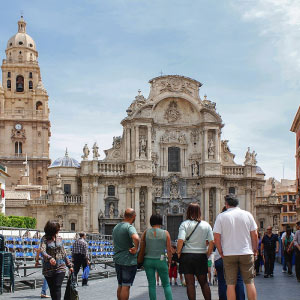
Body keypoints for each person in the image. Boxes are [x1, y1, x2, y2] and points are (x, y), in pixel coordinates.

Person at [213, 194, 258, 300]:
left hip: (229, 254)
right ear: (237, 203)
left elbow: (216, 237)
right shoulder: (247, 215)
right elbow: (254, 234)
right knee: (249, 282)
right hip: (246, 252)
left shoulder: (221, 216)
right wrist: (254, 249)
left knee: (230, 284)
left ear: (226, 204)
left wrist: (220, 251)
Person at [177, 203, 214, 300]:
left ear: (188, 212)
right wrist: (208, 253)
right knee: (204, 283)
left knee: (190, 284)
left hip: (187, 256)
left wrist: (178, 252)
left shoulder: (184, 224)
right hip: (201, 256)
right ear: (199, 212)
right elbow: (212, 241)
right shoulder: (206, 225)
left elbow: (181, 239)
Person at [213, 206, 245, 300]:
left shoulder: (220, 219)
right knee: (238, 281)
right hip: (236, 256)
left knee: (222, 282)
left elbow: (216, 239)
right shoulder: (240, 224)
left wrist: (221, 252)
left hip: (221, 257)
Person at [140, 214, 173, 300]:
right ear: (161, 222)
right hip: (161, 261)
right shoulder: (165, 233)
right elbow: (169, 250)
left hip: (148, 261)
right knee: (166, 285)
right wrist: (169, 261)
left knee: (151, 284)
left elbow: (142, 246)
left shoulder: (145, 232)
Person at [40, 220, 73, 300]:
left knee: (57, 286)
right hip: (48, 268)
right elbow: (42, 250)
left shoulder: (59, 238)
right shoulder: (44, 239)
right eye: (58, 228)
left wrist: (69, 265)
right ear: (53, 229)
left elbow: (63, 253)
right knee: (52, 289)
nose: (59, 230)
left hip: (60, 266)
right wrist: (49, 258)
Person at [112, 208, 140, 300]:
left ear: (124, 216)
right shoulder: (129, 227)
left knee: (120, 284)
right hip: (128, 260)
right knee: (126, 286)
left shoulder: (116, 227)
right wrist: (136, 248)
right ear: (134, 216)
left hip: (118, 260)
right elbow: (136, 238)